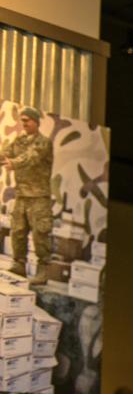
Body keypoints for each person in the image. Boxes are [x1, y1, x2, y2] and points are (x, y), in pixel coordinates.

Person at [2, 107, 53, 286]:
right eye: (22, 120)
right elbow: (5, 153)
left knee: (40, 234)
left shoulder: (44, 142)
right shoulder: (19, 140)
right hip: (22, 195)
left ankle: (43, 269)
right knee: (18, 231)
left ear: (36, 122)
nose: (24, 124)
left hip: (39, 197)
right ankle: (19, 264)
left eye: (27, 120)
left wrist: (14, 163)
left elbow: (32, 157)